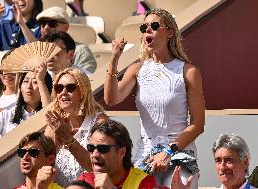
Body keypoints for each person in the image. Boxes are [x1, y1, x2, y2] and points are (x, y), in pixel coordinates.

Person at [104, 8, 205, 187]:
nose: (148, 30)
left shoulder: (188, 71)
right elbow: (111, 99)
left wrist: (168, 152)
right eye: (144, 28)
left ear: (170, 33)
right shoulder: (137, 69)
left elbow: (197, 125)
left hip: (179, 152)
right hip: (146, 153)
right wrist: (113, 61)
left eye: (155, 26)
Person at [44, 68, 108, 187]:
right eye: (59, 88)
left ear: (83, 91)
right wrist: (56, 144)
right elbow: (42, 167)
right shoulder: (53, 126)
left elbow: (97, 168)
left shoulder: (99, 121)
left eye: (70, 88)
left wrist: (67, 137)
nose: (63, 92)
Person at [0, 63, 52, 143]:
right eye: (25, 81)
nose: (29, 86)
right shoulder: (8, 114)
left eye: (35, 82)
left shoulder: (52, 113)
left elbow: (50, 118)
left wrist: (40, 79)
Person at [77, 119, 157, 189]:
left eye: (103, 149)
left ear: (121, 153)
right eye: (91, 147)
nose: (95, 155)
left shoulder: (144, 182)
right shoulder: (85, 181)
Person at [35, 6, 97, 76]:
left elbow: (87, 82)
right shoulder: (38, 51)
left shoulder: (80, 50)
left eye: (52, 23)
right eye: (43, 23)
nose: (46, 28)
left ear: (66, 27)